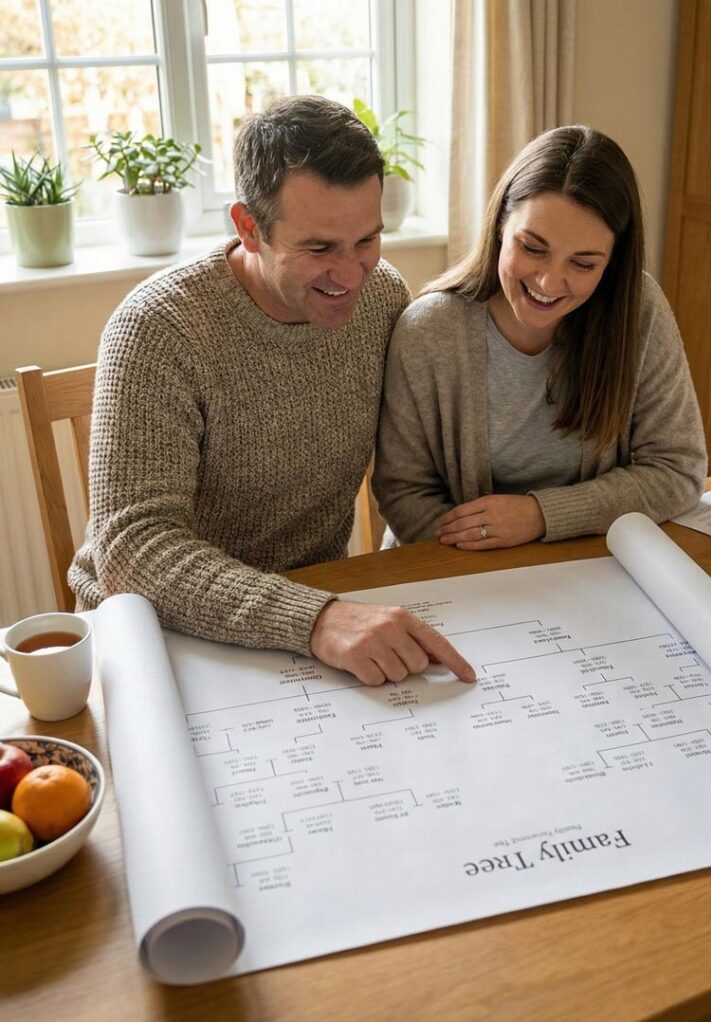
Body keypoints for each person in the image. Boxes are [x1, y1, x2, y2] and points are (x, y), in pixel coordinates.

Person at [70, 95, 474, 687]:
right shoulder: (158, 328)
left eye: (367, 240)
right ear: (248, 228)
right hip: (157, 634)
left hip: (312, 618)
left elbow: (417, 466)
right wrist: (315, 619)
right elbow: (134, 550)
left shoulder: (384, 298)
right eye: (319, 248)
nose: (350, 274)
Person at [373, 125, 707, 549]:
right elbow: (403, 493)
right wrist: (498, 559)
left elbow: (679, 470)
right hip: (457, 565)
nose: (549, 282)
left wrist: (540, 516)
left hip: (587, 562)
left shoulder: (638, 312)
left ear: (612, 264)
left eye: (583, 264)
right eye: (532, 248)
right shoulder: (427, 330)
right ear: (500, 225)